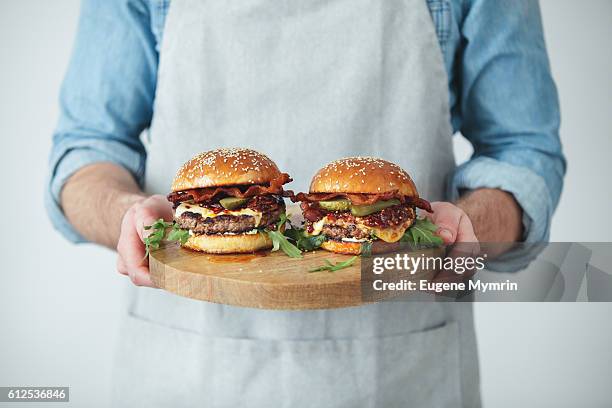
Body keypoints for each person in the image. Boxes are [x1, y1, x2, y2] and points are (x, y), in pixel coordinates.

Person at [45, 0, 565, 406]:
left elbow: (523, 147)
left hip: (400, 366)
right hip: (186, 363)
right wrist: (125, 215)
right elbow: (88, 146)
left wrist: (469, 225)